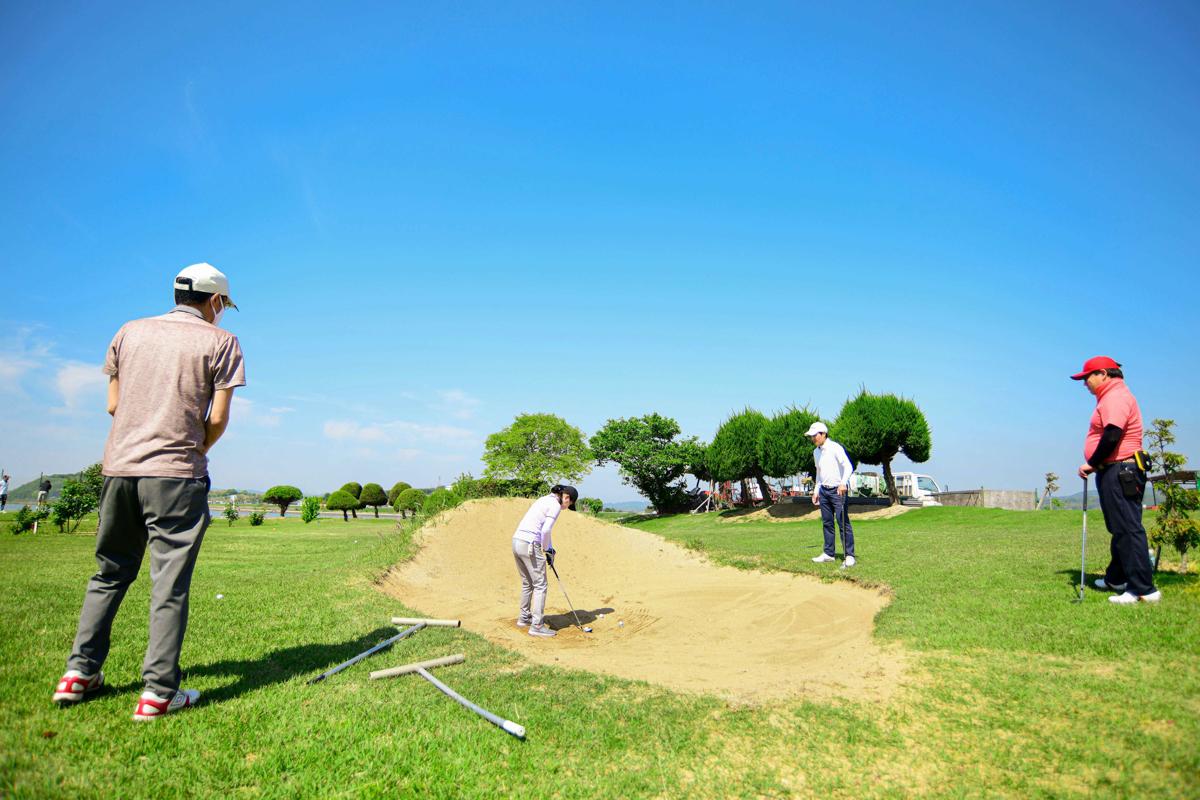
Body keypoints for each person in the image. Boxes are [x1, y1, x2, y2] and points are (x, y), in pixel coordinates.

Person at [53, 263, 246, 719]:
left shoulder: (129, 331)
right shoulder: (221, 342)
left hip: (118, 471)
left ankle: (78, 673)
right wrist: (192, 447)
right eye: (224, 306)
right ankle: (158, 692)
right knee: (169, 584)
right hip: (176, 476)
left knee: (109, 573)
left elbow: (114, 404)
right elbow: (217, 419)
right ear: (215, 302)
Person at [1072, 356, 1160, 604]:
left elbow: (1113, 434)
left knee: (1128, 529)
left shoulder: (1116, 397)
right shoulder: (1112, 396)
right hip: (1116, 469)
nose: (1085, 383)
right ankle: (1116, 577)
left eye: (1087, 377)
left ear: (1103, 374)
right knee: (1120, 527)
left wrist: (1092, 463)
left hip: (1121, 469)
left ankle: (1143, 589)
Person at [512, 484, 578, 638]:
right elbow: (546, 530)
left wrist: (549, 548)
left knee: (528, 583)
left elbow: (543, 529)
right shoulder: (555, 505)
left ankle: (524, 618)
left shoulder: (543, 500)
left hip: (517, 541)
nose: (566, 508)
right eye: (569, 505)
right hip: (530, 544)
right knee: (540, 585)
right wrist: (547, 549)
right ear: (566, 497)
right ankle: (537, 626)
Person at [806, 422, 856, 568]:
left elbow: (848, 466)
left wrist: (843, 483)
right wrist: (816, 491)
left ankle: (849, 556)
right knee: (827, 523)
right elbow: (819, 473)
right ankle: (829, 554)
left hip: (838, 491)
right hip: (824, 491)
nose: (813, 439)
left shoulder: (835, 448)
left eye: (814, 435)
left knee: (842, 522)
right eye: (811, 436)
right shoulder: (816, 452)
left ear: (823, 434)